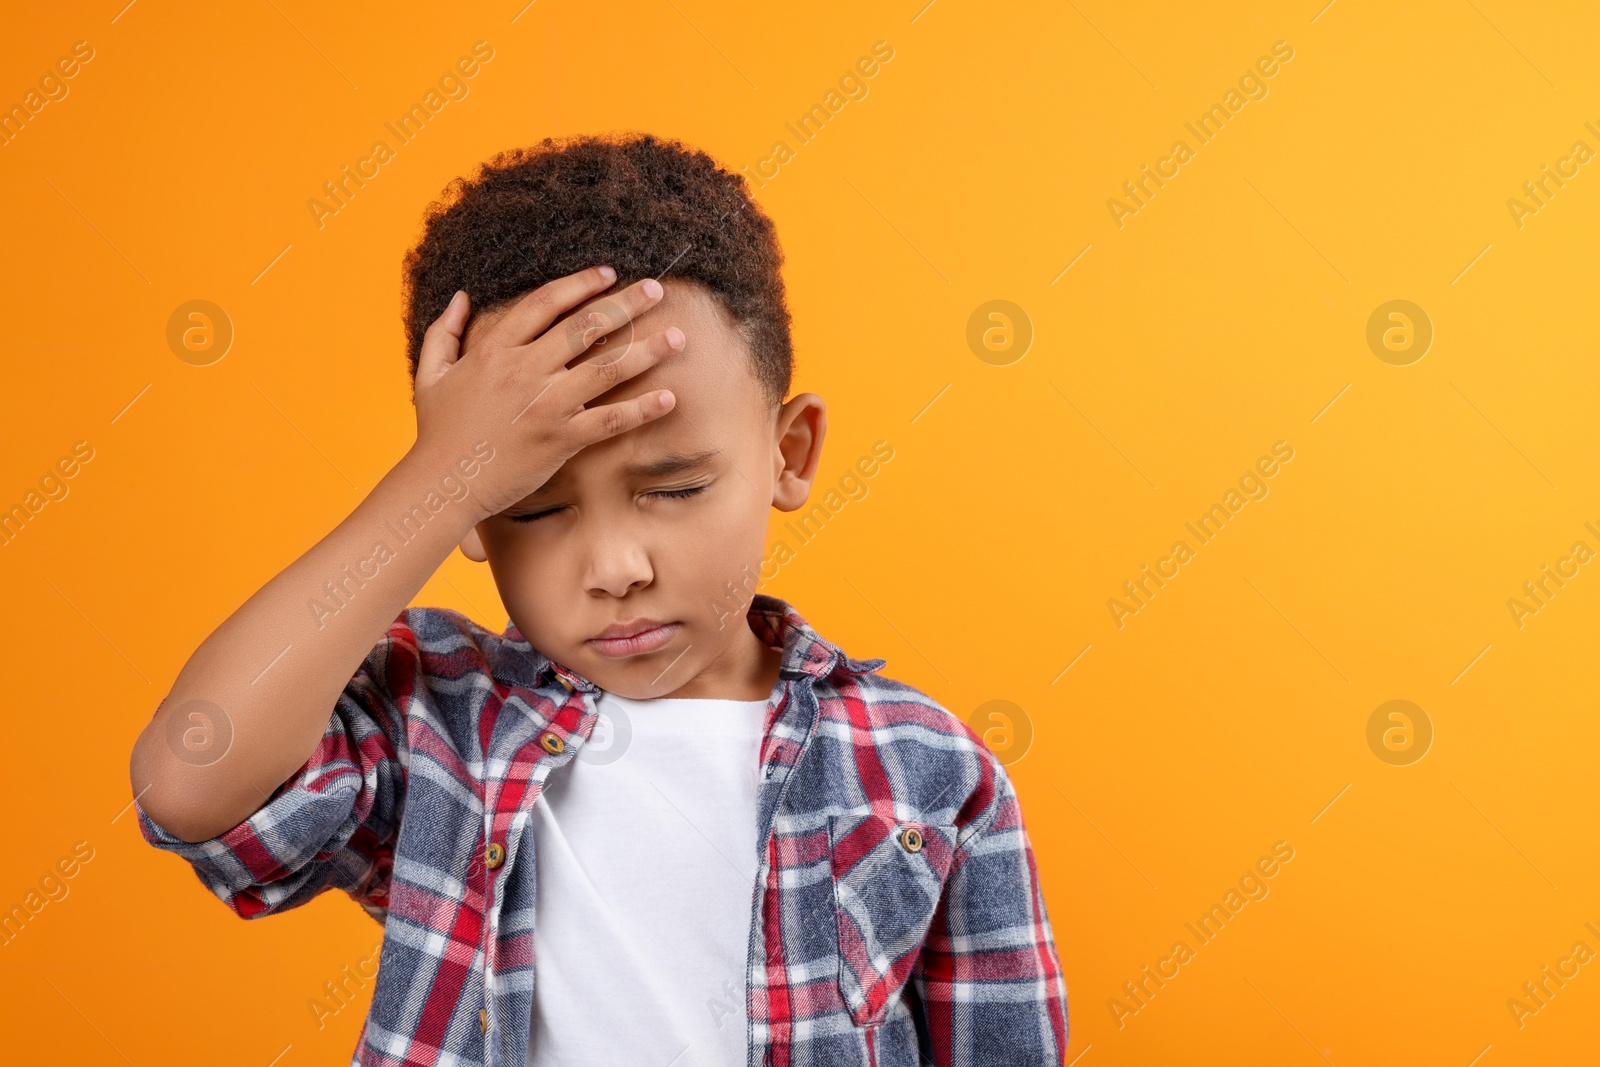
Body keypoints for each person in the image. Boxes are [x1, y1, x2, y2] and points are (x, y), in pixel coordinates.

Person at [128, 133, 1069, 1067]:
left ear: (789, 453)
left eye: (675, 488)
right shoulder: (442, 726)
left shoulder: (928, 768)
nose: (615, 564)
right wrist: (442, 473)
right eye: (534, 507)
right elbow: (191, 779)